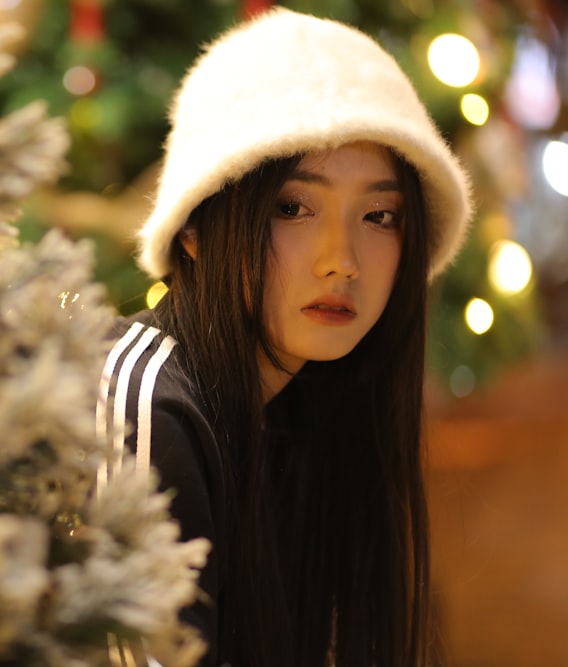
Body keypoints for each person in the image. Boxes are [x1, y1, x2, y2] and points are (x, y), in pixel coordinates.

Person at [97, 8, 472, 667]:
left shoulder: (313, 416)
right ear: (193, 224)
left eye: (379, 215)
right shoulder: (145, 407)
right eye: (292, 207)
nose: (342, 260)